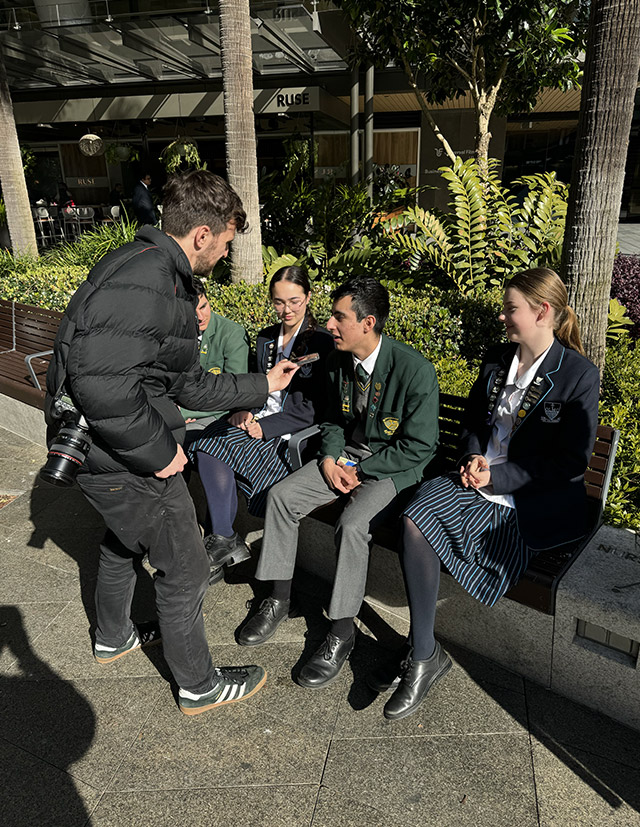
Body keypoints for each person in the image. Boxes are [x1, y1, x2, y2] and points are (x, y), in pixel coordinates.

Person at [44, 169, 298, 715]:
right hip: (121, 455)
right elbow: (101, 387)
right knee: (184, 566)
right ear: (202, 234)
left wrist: (261, 383)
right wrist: (162, 453)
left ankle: (113, 636)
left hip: (103, 453)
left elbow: (179, 380)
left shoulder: (146, 267)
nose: (227, 255)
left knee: (122, 540)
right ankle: (198, 685)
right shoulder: (153, 284)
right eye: (227, 242)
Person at [373, 268, 600, 721]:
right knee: (414, 516)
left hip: (524, 498)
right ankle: (425, 652)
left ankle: (421, 656)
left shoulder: (577, 374)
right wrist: (475, 456)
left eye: (510, 308)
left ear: (542, 311)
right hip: (475, 480)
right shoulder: (498, 359)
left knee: (419, 522)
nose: (502, 316)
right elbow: (474, 424)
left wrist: (498, 479)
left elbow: (569, 462)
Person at [236, 277, 440, 690]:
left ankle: (341, 632)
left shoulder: (413, 369)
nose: (329, 323)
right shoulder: (336, 362)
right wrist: (329, 459)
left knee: (352, 526)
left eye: (338, 317)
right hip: (344, 459)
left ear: (368, 322)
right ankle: (277, 597)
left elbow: (419, 447)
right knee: (281, 497)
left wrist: (360, 472)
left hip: (390, 470)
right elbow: (330, 420)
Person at [188, 265, 334, 584]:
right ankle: (224, 540)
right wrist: (242, 409)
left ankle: (221, 544)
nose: (287, 310)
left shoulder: (321, 343)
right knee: (207, 442)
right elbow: (256, 385)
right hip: (257, 420)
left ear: (308, 298)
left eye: (294, 301)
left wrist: (266, 428)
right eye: (279, 302)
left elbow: (316, 409)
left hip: (290, 434)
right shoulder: (266, 337)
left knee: (216, 444)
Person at [180, 279, 251, 429]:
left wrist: (183, 413)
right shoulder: (174, 331)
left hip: (215, 414)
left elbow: (233, 392)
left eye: (203, 307)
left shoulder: (232, 334)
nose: (200, 316)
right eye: (192, 312)